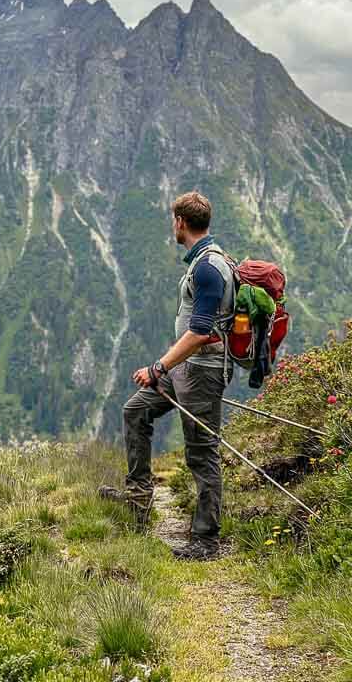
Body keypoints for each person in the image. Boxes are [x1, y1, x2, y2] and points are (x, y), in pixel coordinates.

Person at [99, 191, 235, 560]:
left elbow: (201, 330)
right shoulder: (207, 260)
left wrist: (159, 367)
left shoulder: (208, 267)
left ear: (180, 222)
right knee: (136, 411)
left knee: (201, 452)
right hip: (187, 370)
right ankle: (138, 500)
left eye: (172, 220)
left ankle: (206, 540)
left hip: (202, 372)